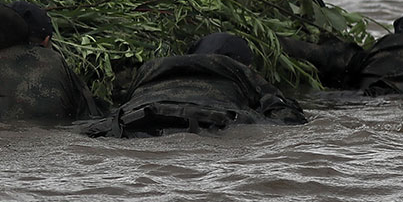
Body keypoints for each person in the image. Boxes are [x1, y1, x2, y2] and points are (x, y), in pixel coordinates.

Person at [86, 32, 305, 137]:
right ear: (241, 63)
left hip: (137, 122)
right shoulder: (239, 72)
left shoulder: (152, 68)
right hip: (210, 123)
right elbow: (287, 117)